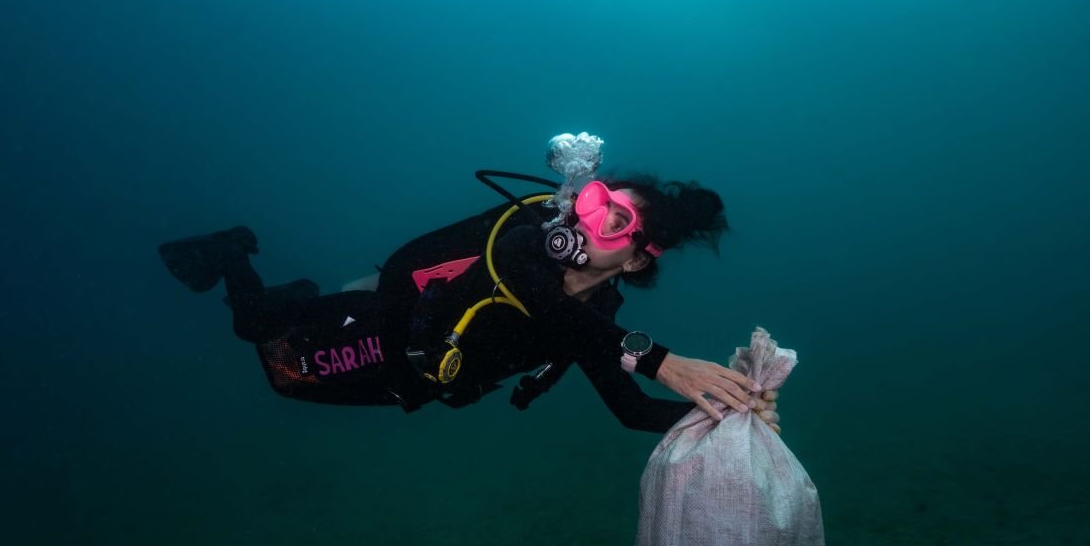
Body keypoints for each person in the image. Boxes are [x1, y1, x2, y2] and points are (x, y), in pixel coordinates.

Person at [158, 169, 781, 435]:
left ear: (641, 256)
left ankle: (299, 296)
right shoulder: (524, 245)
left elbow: (632, 411)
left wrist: (726, 418)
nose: (584, 219)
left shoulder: (596, 322)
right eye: (592, 200)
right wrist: (664, 362)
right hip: (378, 330)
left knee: (282, 379)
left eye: (613, 221)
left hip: (409, 383)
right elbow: (541, 298)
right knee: (259, 339)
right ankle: (234, 253)